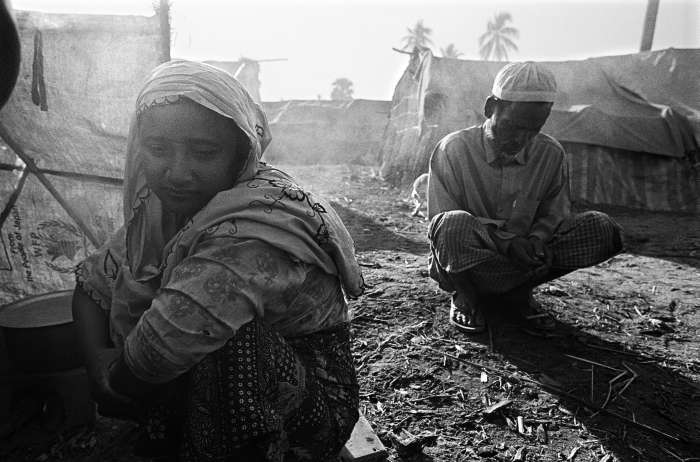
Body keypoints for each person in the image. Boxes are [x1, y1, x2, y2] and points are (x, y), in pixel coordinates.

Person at [72, 60, 364, 461]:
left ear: (240, 153)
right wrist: (95, 362)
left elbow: (166, 342)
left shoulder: (254, 226)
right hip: (197, 390)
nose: (176, 172)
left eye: (204, 152)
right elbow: (92, 282)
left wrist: (115, 384)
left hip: (309, 410)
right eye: (158, 149)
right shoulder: (158, 214)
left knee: (227, 342)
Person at [427, 61, 623, 334]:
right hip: (469, 262)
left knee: (602, 229)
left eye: (533, 130)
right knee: (451, 224)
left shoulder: (551, 154)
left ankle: (517, 293)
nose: (521, 138)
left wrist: (536, 242)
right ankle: (466, 296)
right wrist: (508, 244)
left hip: (523, 262)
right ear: (490, 107)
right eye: (511, 126)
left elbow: (555, 214)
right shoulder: (453, 149)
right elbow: (440, 222)